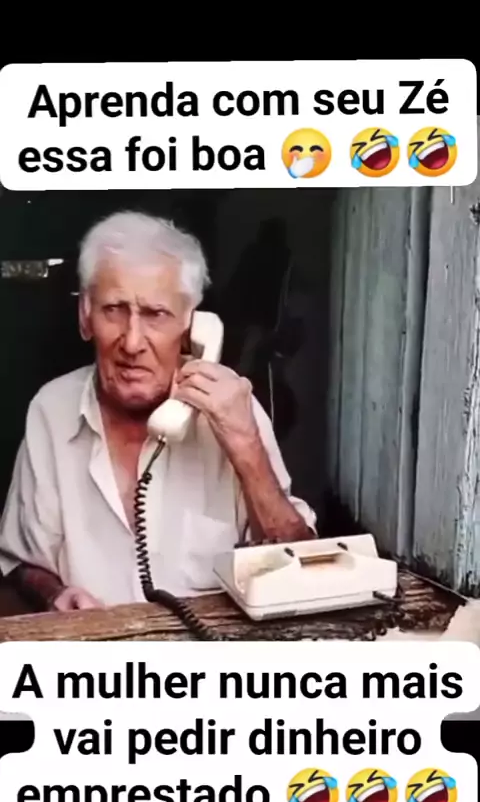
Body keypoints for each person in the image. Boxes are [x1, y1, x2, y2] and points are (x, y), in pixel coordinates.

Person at [0, 211, 316, 612]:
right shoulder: (51, 409)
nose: (132, 343)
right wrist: (54, 594)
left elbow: (301, 571)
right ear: (85, 316)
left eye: (156, 314)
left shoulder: (235, 410)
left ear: (192, 326)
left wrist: (246, 447)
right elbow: (22, 565)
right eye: (114, 309)